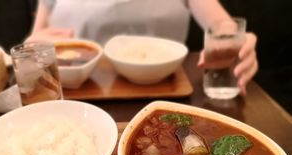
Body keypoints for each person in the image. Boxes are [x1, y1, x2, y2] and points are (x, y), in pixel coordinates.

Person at [27, 0, 258, 95]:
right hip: (76, 93)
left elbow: (221, 24)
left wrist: (233, 40)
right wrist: (32, 48)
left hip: (168, 91)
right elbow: (37, 34)